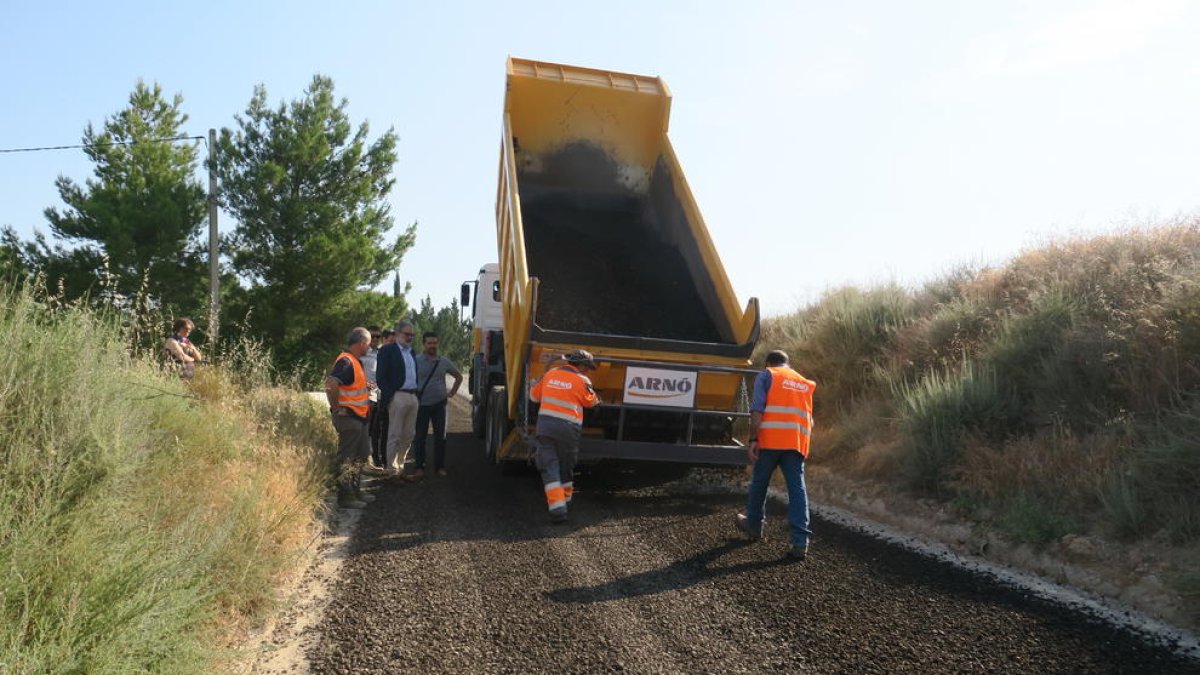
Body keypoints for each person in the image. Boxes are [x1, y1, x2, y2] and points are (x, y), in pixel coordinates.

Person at [734, 350, 816, 561]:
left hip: (770, 442)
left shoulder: (767, 375)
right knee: (797, 490)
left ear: (769, 363)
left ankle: (753, 526)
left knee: (759, 483)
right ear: (788, 364)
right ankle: (800, 543)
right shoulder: (804, 382)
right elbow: (810, 420)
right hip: (795, 444)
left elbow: (757, 411)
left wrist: (753, 440)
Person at [528, 350, 601, 523]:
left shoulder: (550, 374)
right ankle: (563, 504)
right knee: (566, 465)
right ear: (581, 365)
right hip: (568, 430)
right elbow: (590, 402)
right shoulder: (583, 380)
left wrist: (534, 384)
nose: (588, 371)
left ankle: (559, 508)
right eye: (588, 368)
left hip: (545, 428)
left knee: (550, 465)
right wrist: (598, 399)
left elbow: (533, 397)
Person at [324, 327, 379, 509]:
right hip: (349, 418)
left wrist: (366, 386)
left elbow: (350, 386)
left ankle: (355, 492)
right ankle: (345, 496)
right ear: (361, 343)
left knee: (361, 455)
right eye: (368, 344)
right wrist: (337, 408)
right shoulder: (346, 361)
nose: (369, 348)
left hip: (359, 418)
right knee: (348, 458)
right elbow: (331, 384)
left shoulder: (354, 361)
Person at [410, 331, 463, 478]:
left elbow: (458, 376)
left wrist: (452, 393)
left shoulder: (443, 361)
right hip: (421, 405)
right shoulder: (416, 361)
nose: (432, 346)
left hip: (440, 405)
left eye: (435, 343)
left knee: (441, 437)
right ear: (423, 344)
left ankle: (439, 467)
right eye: (429, 343)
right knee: (420, 437)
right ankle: (419, 467)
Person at [376, 320, 420, 479]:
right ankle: (391, 470)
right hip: (398, 395)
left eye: (412, 335)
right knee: (395, 434)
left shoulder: (411, 352)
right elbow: (381, 377)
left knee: (409, 434)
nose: (410, 337)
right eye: (407, 334)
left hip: (413, 396)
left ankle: (400, 467)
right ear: (397, 333)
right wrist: (392, 395)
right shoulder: (387, 351)